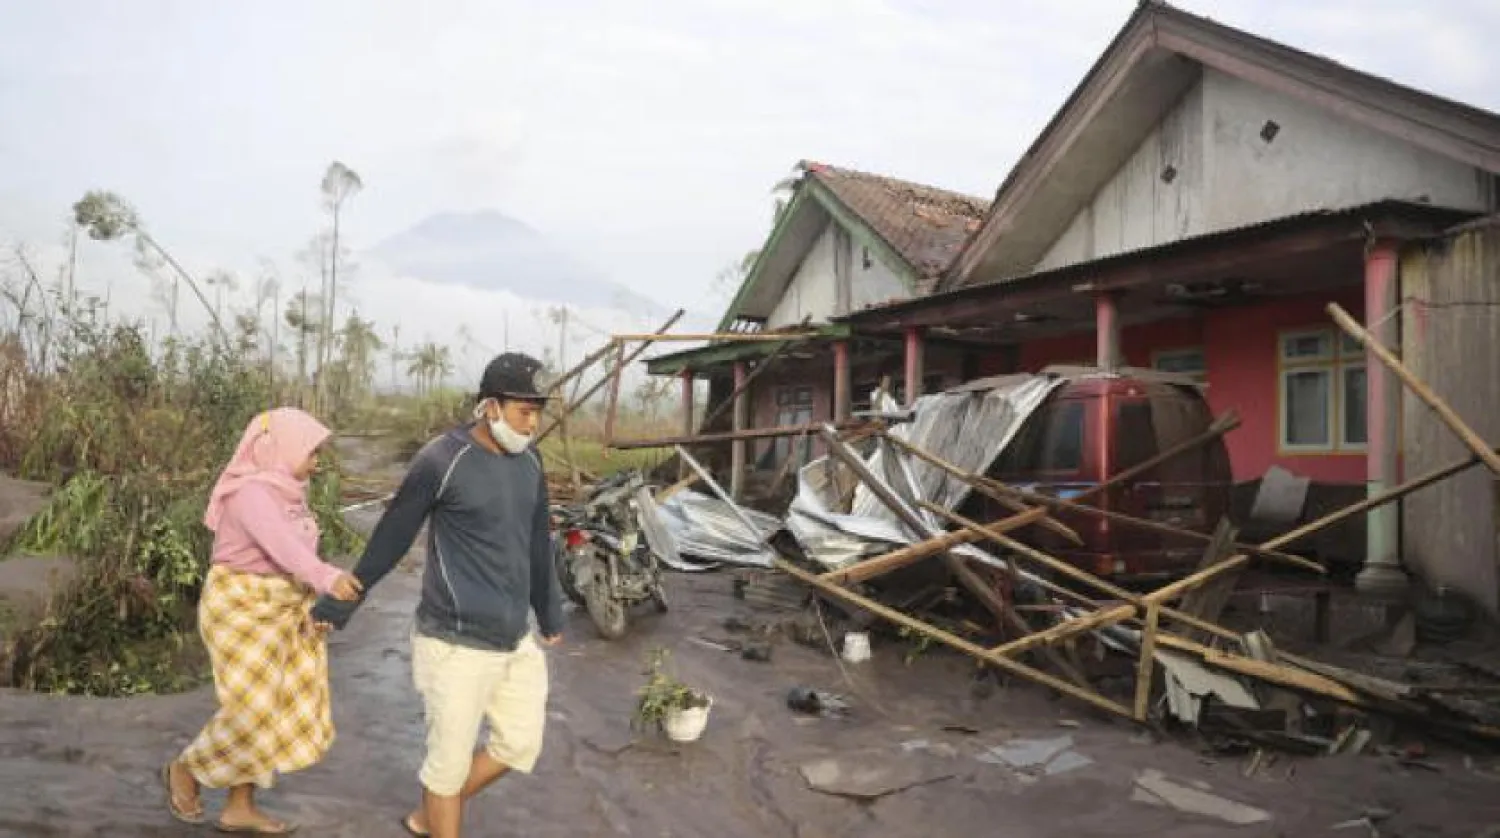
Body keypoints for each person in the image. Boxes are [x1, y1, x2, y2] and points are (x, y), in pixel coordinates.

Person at [311, 352, 565, 838]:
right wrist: (342, 603)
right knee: (446, 770)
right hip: (453, 644)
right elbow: (392, 535)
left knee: (518, 745)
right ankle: (438, 811)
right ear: (491, 407)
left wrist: (549, 613)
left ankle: (429, 813)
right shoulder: (442, 460)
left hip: (514, 639)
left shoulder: (531, 462)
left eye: (537, 412)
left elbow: (536, 542)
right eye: (523, 412)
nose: (532, 423)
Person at [162, 407, 364, 834]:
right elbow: (285, 548)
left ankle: (239, 806)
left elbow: (295, 558)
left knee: (270, 706)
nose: (317, 461)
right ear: (281, 449)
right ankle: (187, 769)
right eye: (311, 452)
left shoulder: (289, 492)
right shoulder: (251, 493)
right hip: (240, 607)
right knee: (250, 709)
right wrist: (328, 579)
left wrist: (313, 604)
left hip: (281, 604)